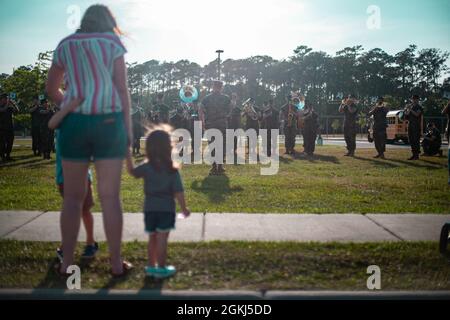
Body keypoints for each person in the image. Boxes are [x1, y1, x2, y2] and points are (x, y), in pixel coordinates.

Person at [46, 4, 133, 277]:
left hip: (74, 125)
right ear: (108, 21)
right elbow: (122, 90)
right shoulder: (111, 43)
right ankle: (116, 264)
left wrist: (68, 104)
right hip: (108, 123)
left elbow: (51, 88)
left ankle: (67, 263)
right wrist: (128, 129)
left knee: (72, 200)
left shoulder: (65, 45)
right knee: (110, 198)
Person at [126, 129, 190, 278]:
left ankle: (151, 266)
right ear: (168, 147)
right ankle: (161, 268)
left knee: (152, 238)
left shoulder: (147, 167)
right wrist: (184, 208)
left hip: (149, 209)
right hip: (166, 210)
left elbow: (132, 172)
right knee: (162, 239)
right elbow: (178, 192)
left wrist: (128, 154)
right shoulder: (172, 170)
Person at [48, 98, 99, 261]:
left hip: (83, 176)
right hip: (65, 177)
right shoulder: (62, 123)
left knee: (83, 211)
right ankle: (68, 247)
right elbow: (53, 123)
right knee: (74, 212)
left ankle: (89, 243)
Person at [199, 80, 231, 175]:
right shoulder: (226, 98)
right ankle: (220, 166)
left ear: (213, 86)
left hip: (210, 124)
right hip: (222, 124)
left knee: (212, 145)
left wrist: (202, 122)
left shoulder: (207, 98)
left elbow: (200, 109)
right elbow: (230, 110)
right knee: (222, 145)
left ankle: (213, 167)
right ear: (221, 87)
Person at [0, 93, 19, 162]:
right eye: (5, 98)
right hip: (2, 128)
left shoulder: (9, 107)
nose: (6, 100)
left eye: (7, 98)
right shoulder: (1, 106)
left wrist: (14, 104)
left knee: (10, 142)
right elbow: (2, 110)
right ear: (2, 99)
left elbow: (17, 112)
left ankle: (8, 156)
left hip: (10, 127)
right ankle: (2, 156)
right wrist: (8, 103)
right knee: (2, 143)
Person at [404, 94, 423, 160]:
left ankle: (416, 155)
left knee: (416, 140)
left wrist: (410, 109)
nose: (413, 100)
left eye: (415, 99)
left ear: (418, 100)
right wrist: (407, 110)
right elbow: (406, 115)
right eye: (413, 99)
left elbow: (417, 114)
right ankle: (413, 154)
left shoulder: (419, 107)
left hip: (416, 126)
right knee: (411, 140)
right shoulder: (411, 107)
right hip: (410, 125)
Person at [228, 93, 241, 157]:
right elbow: (227, 115)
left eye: (235, 98)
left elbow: (239, 117)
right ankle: (229, 150)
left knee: (235, 138)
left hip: (236, 125)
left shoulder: (238, 109)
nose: (233, 100)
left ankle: (234, 150)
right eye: (233, 98)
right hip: (230, 125)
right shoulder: (228, 107)